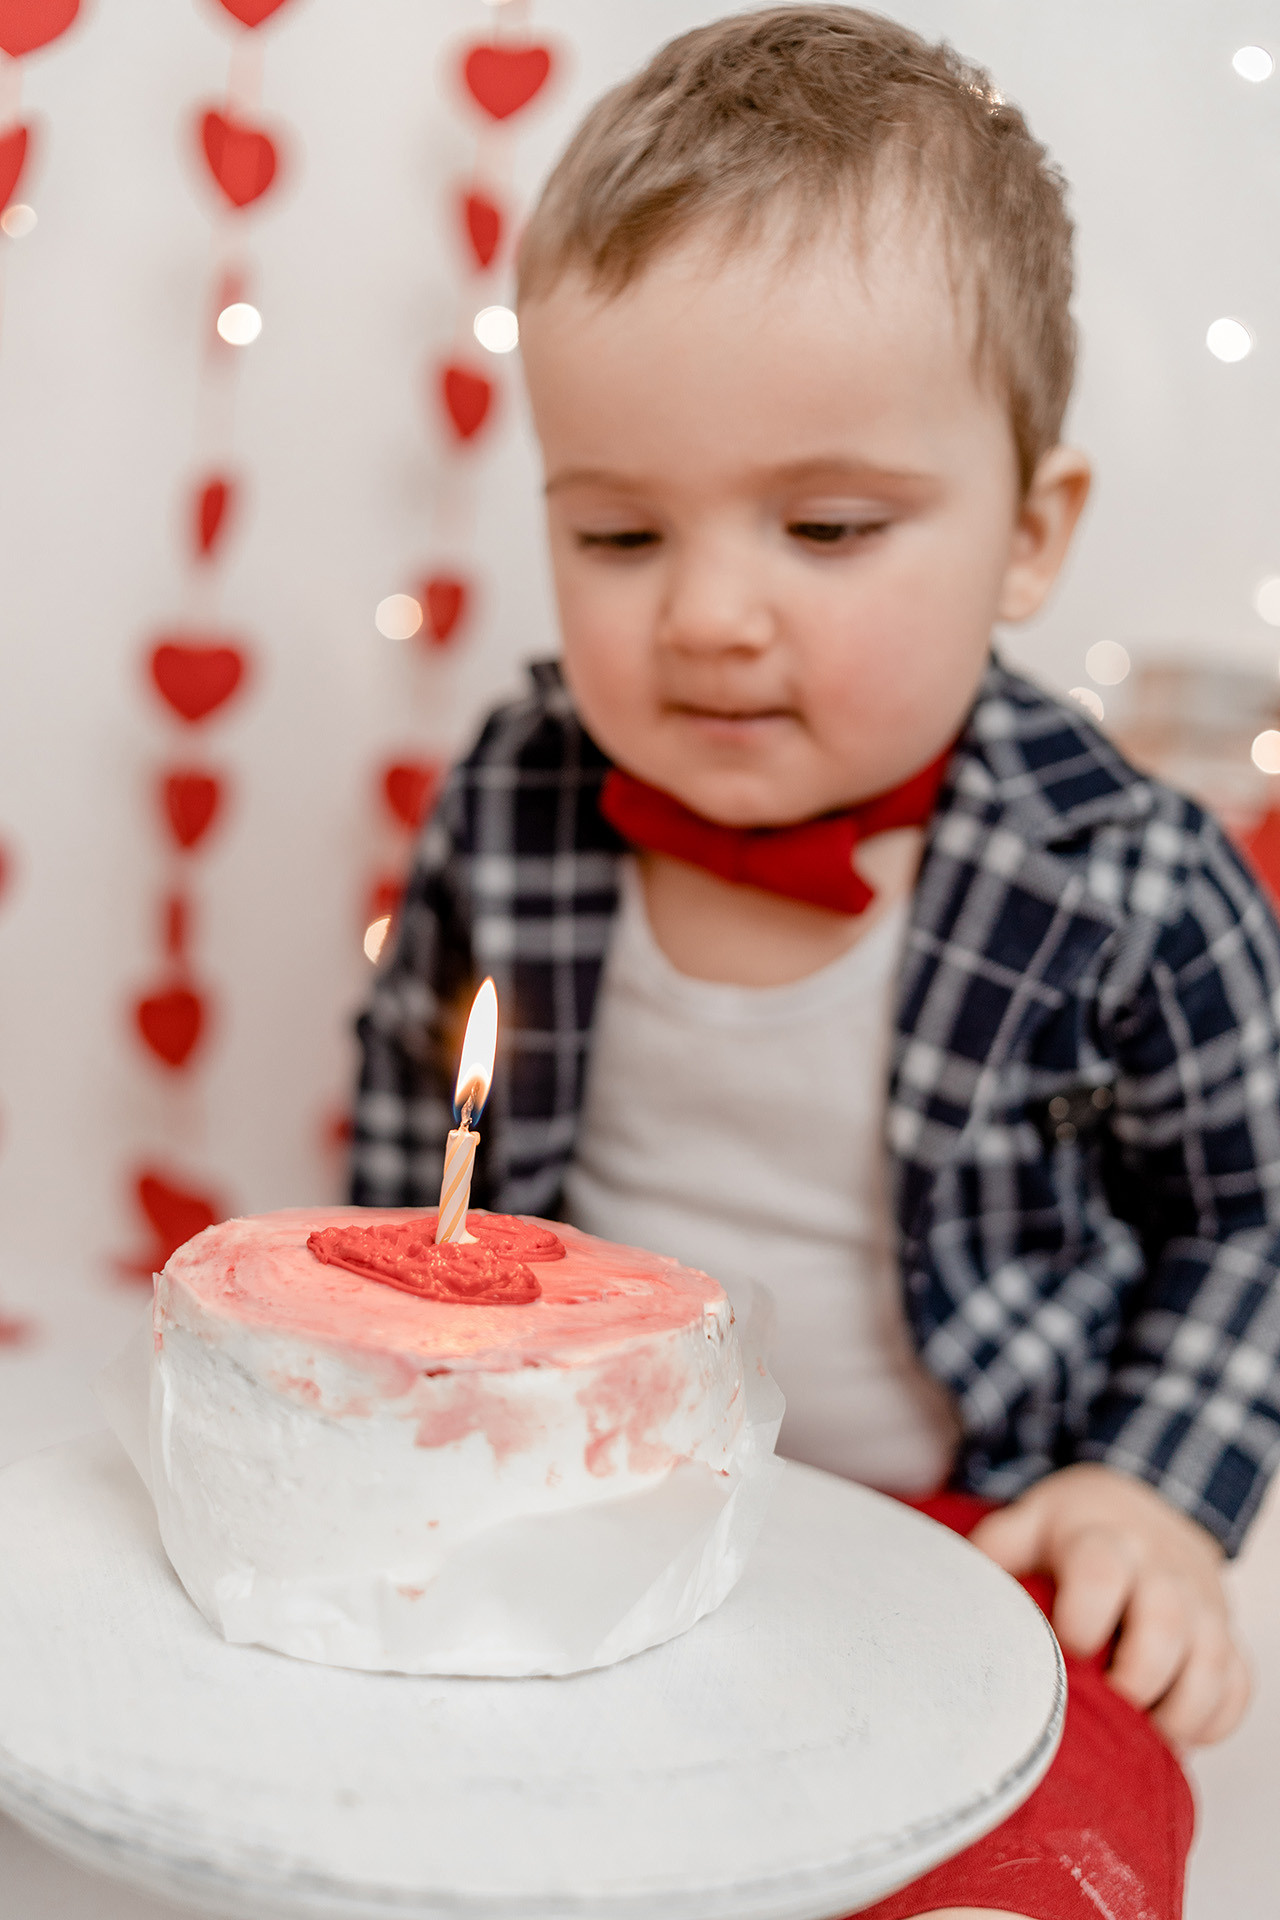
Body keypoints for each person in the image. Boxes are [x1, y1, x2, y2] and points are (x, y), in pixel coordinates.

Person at [352, 10, 1280, 1914]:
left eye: (829, 526)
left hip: (992, 1523)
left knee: (1048, 1834)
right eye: (615, 529)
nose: (703, 614)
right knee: (393, 1819)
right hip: (571, 1495)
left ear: (1031, 534)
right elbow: (410, 1130)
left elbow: (1251, 1222)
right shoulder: (518, 801)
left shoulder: (1132, 883)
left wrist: (1151, 1500)